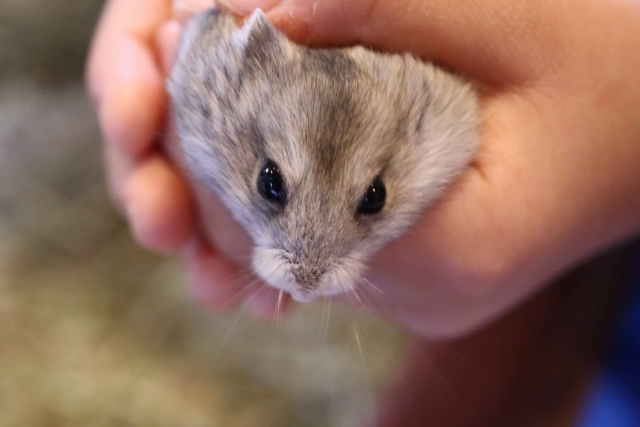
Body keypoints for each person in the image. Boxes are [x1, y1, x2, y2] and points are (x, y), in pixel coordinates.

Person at [86, 0, 640, 425]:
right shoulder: (231, 71)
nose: (307, 278)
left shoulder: (427, 105)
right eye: (272, 185)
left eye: (369, 200)